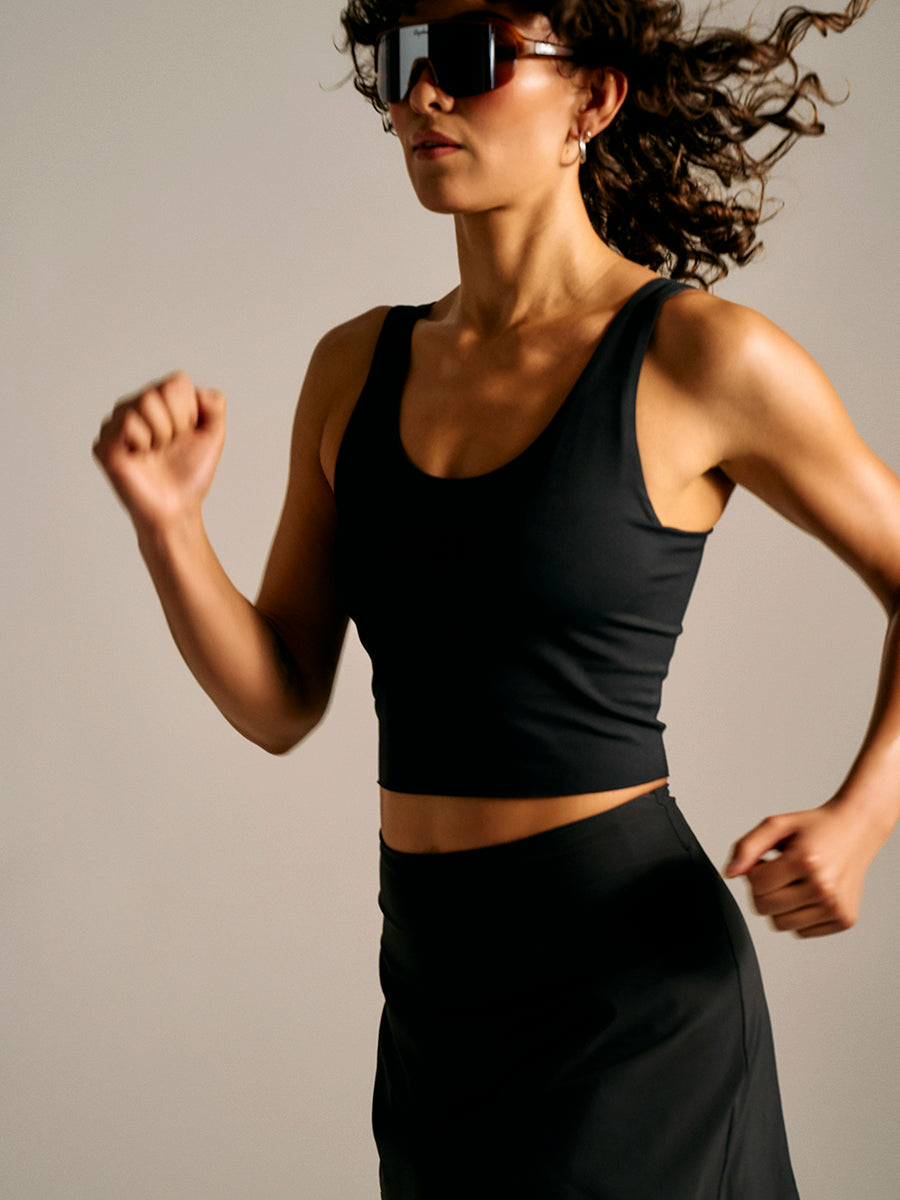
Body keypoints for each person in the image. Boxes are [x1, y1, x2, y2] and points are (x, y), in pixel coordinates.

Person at [93, 0, 898, 1196]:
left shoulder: (696, 356)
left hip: (635, 1014)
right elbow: (281, 699)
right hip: (435, 1012)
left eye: (471, 55)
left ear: (594, 97)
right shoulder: (355, 367)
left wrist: (864, 816)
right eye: (402, 58)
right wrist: (169, 528)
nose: (424, 93)